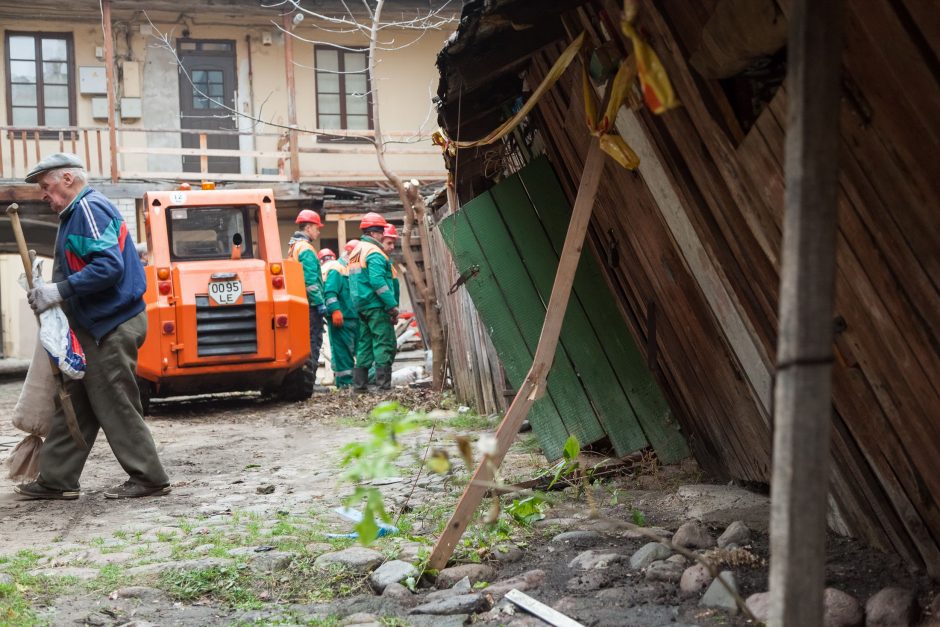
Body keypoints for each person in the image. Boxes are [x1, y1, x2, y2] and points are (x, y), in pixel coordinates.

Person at [15, 153, 171, 500]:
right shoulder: (79, 212)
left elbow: (108, 267)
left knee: (114, 401)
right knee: (77, 401)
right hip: (99, 324)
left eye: (46, 186)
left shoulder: (89, 209)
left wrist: (58, 291)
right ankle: (57, 478)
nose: (43, 194)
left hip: (111, 325)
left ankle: (149, 477)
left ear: (67, 179)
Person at [348, 213, 399, 391]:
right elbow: (378, 282)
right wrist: (391, 305)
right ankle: (383, 387)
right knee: (382, 343)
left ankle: (359, 386)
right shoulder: (374, 252)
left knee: (364, 345)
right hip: (376, 305)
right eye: (381, 232)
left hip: (361, 306)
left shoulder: (356, 250)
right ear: (375, 233)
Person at [287, 209, 326, 390]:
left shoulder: (293, 247)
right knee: (312, 342)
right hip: (310, 305)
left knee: (302, 344)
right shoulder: (307, 249)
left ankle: (306, 381)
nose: (318, 232)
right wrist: (319, 302)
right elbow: (311, 280)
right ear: (309, 227)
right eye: (317, 228)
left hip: (299, 303)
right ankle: (310, 382)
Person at [319, 248, 357, 388]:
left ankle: (347, 382)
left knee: (342, 351)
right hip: (343, 317)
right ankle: (345, 384)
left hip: (350, 316)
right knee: (342, 352)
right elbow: (330, 292)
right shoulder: (336, 268)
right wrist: (335, 310)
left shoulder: (340, 268)